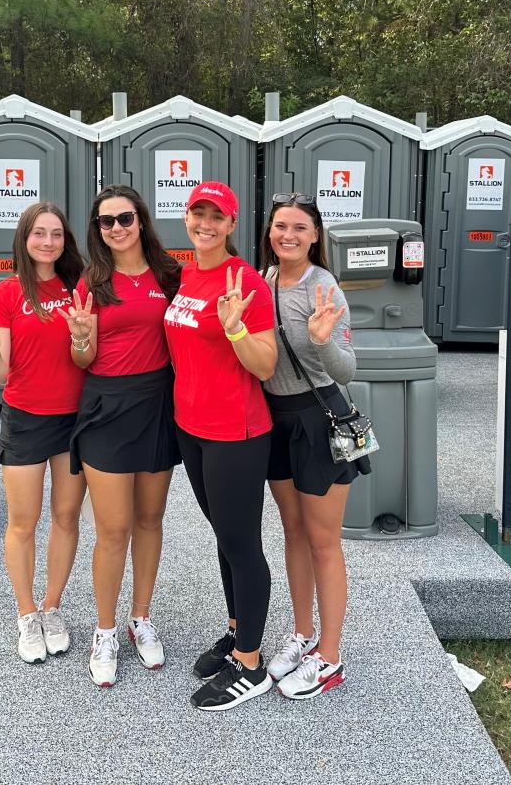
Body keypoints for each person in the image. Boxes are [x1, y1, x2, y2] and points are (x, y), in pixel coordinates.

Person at [162, 181, 279, 711]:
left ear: (232, 224)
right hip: (192, 427)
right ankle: (236, 634)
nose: (205, 224)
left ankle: (250, 665)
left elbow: (266, 364)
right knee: (224, 536)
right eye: (197, 213)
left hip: (236, 431)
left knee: (242, 544)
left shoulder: (245, 279)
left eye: (217, 216)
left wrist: (234, 330)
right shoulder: (186, 274)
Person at [60, 185, 181, 687]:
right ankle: (105, 629)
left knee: (150, 518)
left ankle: (141, 618)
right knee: (113, 528)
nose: (115, 228)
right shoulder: (91, 282)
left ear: (141, 221)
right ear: (97, 230)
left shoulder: (170, 276)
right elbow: (81, 360)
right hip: (107, 406)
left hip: (157, 404)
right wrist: (82, 337)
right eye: (105, 222)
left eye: (124, 218)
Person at [0, 202, 87, 665]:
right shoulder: (7, 294)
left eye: (56, 234)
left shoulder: (80, 288)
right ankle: (27, 614)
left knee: (67, 516)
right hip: (27, 417)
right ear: (24, 239)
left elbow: (89, 351)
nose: (48, 242)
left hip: (75, 419)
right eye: (39, 233)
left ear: (65, 240)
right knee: (23, 521)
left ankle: (53, 607)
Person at [256, 193, 369, 699]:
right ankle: (301, 636)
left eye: (300, 228)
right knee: (294, 532)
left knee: (324, 541)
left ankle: (330, 655)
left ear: (315, 236)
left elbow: (348, 369)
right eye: (281, 226)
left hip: (318, 416)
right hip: (274, 419)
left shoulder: (324, 288)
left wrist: (324, 339)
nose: (288, 236)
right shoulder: (261, 281)